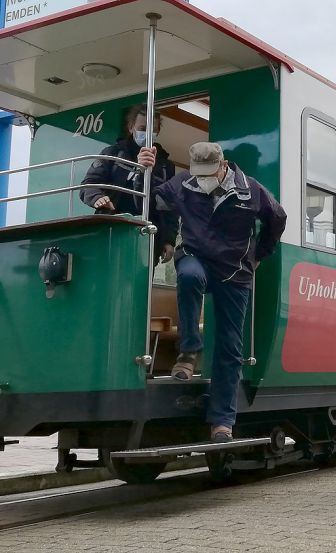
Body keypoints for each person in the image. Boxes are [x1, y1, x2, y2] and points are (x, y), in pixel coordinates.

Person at [153, 142, 286, 441]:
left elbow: (277, 217)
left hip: (234, 270)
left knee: (229, 346)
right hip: (195, 256)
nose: (202, 179)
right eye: (198, 173)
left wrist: (259, 255)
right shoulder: (181, 183)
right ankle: (189, 352)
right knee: (187, 277)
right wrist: (144, 171)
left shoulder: (250, 189)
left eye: (208, 173)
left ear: (223, 165)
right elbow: (152, 203)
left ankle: (222, 421)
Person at [79, 104, 176, 260]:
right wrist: (97, 197)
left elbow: (169, 207)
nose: (148, 133)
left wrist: (169, 240)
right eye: (142, 128)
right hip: (111, 232)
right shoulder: (112, 154)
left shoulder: (166, 166)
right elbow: (88, 185)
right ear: (131, 128)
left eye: (153, 129)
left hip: (147, 237)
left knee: (140, 283)